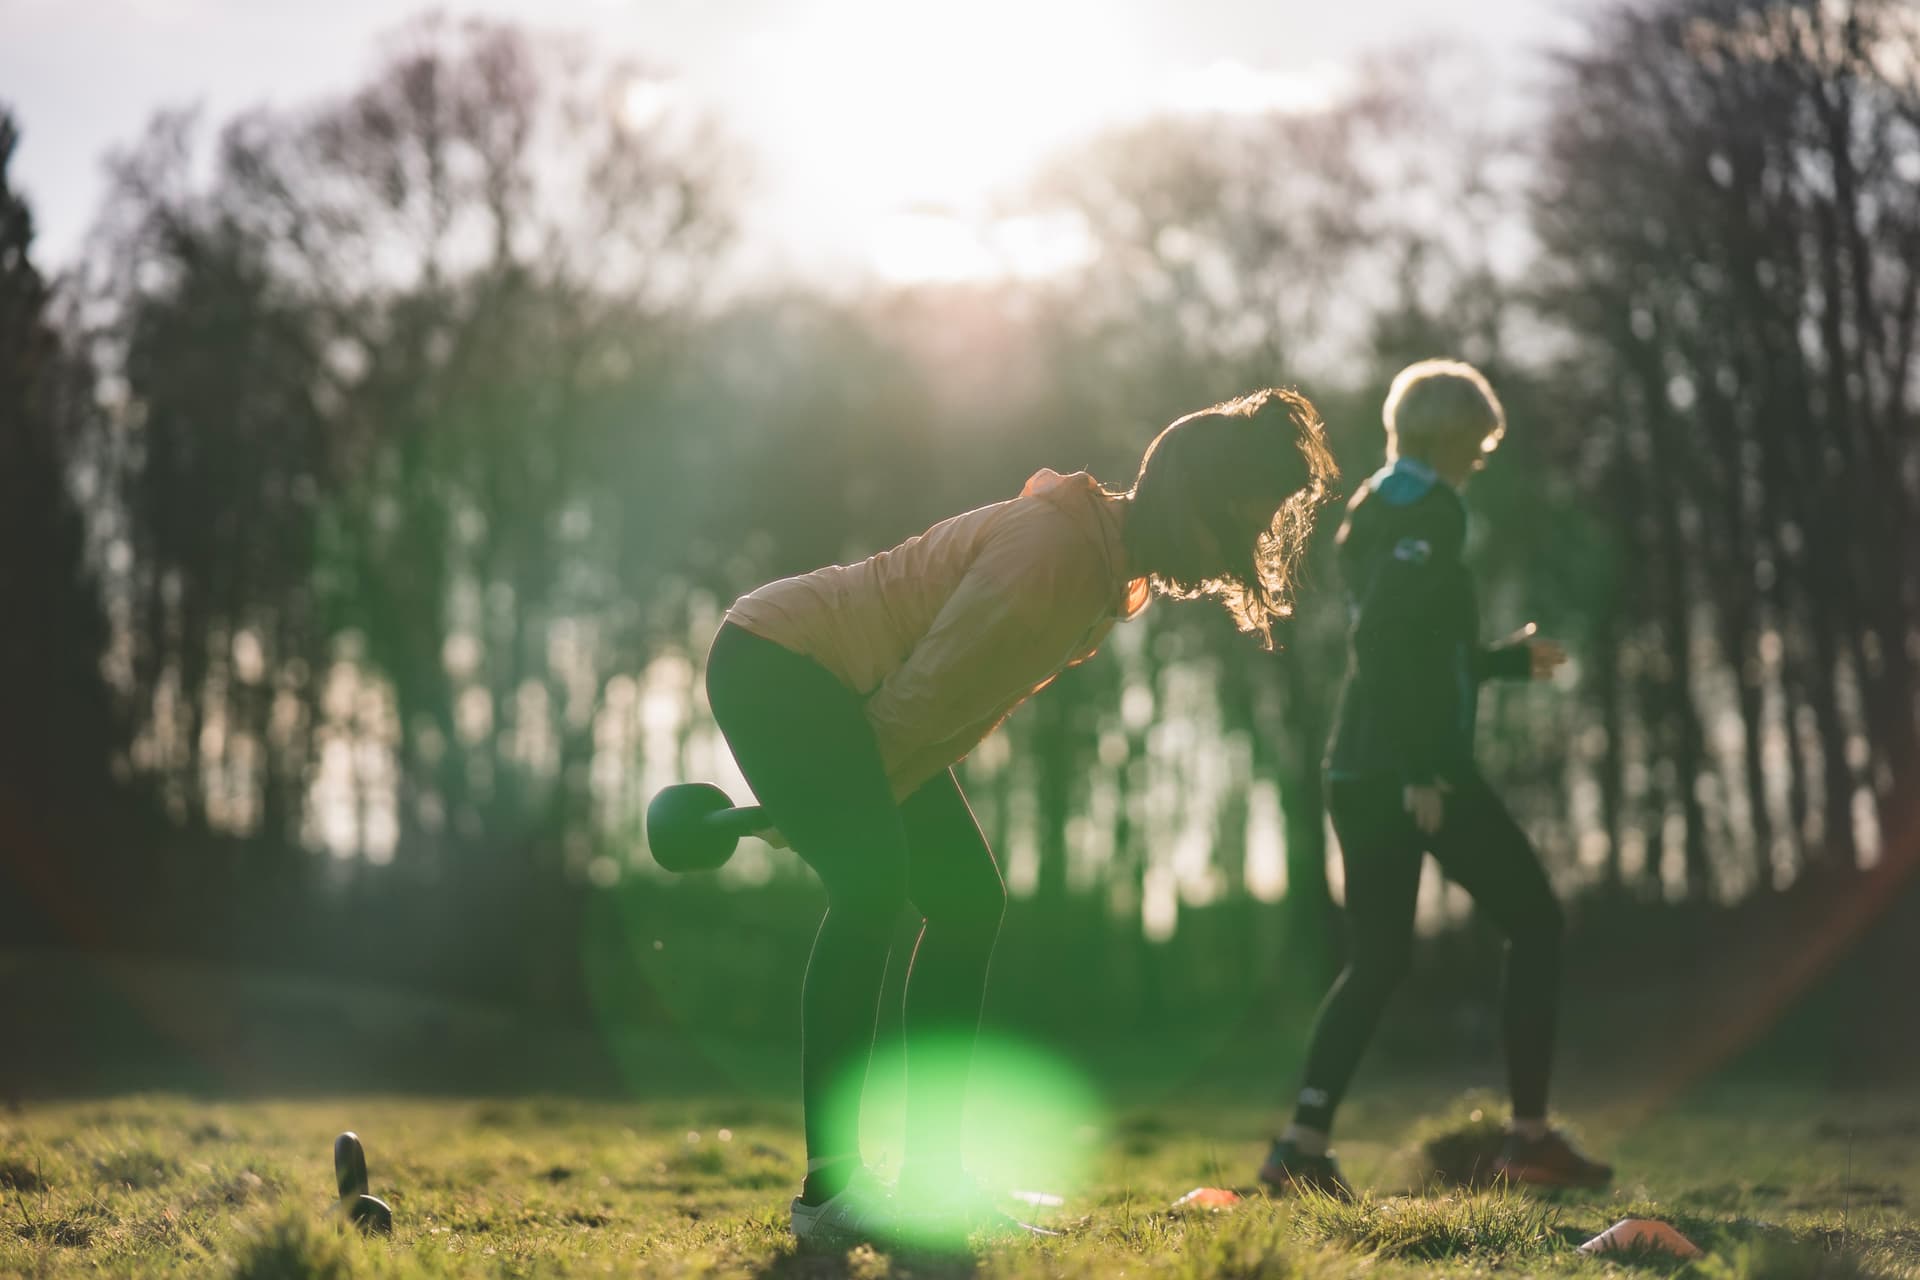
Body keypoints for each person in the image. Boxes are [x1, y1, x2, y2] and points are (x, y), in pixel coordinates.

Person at [701, 389, 1335, 1249]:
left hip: (856, 705)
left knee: (965, 900)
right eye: (1247, 520)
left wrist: (834, 791)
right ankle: (831, 1195)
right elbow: (929, 691)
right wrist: (833, 793)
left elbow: (957, 704)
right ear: (1201, 502)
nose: (1251, 545)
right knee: (871, 890)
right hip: (785, 663)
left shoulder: (1103, 562)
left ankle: (929, 1177)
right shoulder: (1058, 555)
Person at [1259, 359, 1611, 1198]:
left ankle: (1298, 1147)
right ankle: (1528, 1140)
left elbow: (1411, 643)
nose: (1482, 460)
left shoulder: (1374, 504)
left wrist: (1493, 662)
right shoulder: (1431, 507)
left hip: (1357, 764)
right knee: (1533, 918)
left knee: (1377, 961)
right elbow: (1384, 637)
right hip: (1408, 770)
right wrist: (1421, 767)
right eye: (1479, 444)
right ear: (1453, 437)